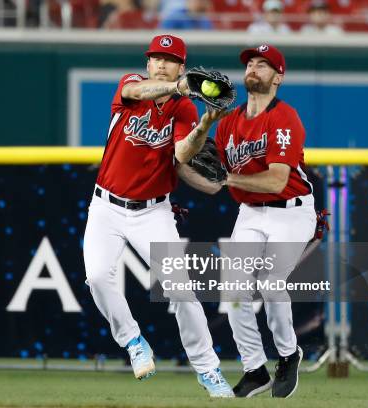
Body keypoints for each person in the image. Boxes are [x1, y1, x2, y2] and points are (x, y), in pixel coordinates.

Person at [82, 34, 234, 398]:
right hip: (106, 205)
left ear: (182, 66)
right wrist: (178, 86)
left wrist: (205, 124)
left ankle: (209, 370)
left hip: (153, 211)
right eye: (156, 58)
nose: (161, 63)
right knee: (98, 277)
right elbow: (138, 94)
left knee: (181, 290)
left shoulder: (183, 109)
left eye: (170, 60)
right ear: (148, 63)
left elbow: (182, 153)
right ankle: (133, 340)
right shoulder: (130, 85)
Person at [181, 44, 316, 398]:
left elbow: (275, 180)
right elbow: (211, 182)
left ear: (278, 77)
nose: (254, 68)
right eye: (251, 63)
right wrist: (192, 156)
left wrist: (225, 178)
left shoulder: (284, 117)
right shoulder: (228, 125)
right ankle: (254, 368)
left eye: (263, 64)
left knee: (271, 282)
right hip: (252, 212)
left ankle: (288, 355)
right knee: (236, 289)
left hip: (291, 209)